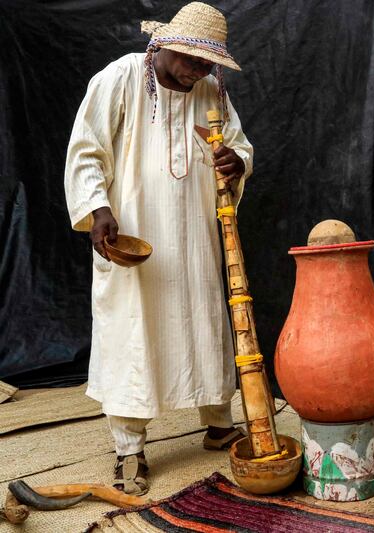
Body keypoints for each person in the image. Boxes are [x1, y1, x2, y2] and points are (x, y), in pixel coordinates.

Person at [64, 2, 253, 495]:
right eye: (191, 59)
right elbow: (86, 149)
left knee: (205, 322)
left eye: (207, 62)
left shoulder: (211, 91)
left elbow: (239, 146)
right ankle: (129, 448)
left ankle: (217, 423)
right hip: (135, 233)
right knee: (132, 330)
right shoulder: (122, 77)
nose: (198, 70)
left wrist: (237, 162)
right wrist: (97, 207)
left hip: (195, 238)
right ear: (164, 46)